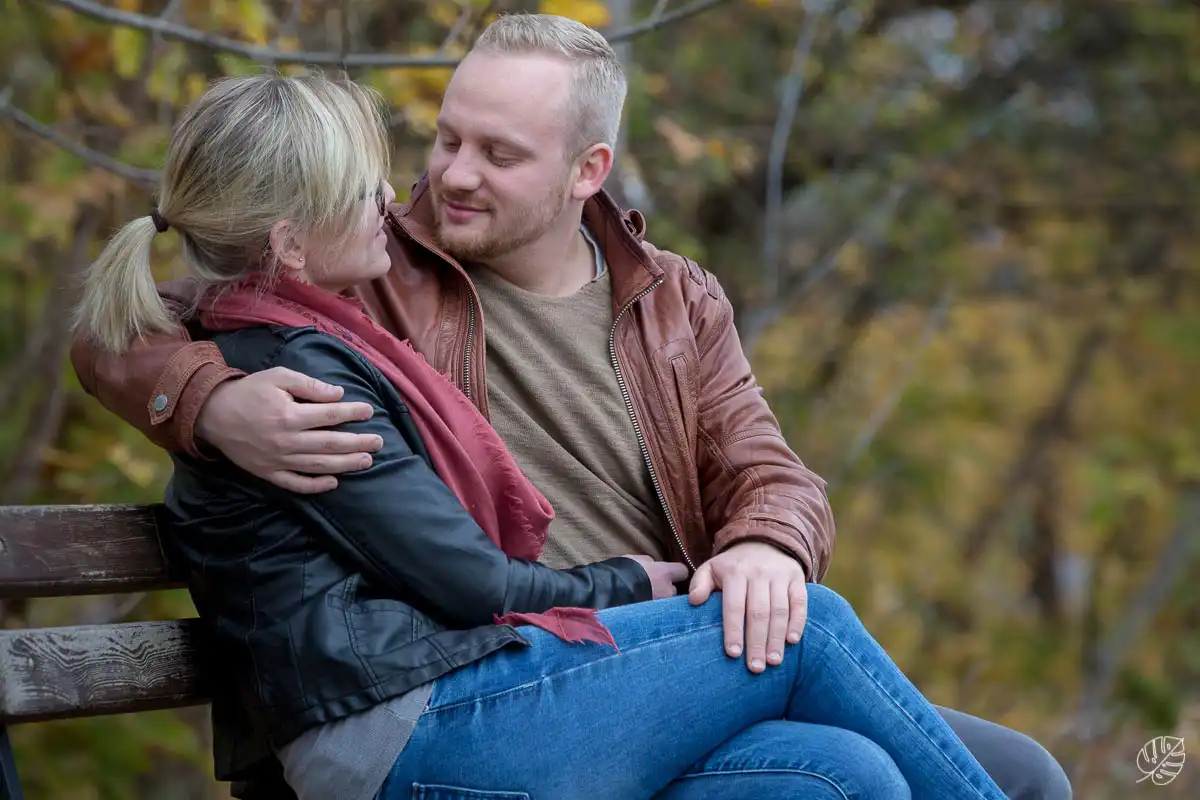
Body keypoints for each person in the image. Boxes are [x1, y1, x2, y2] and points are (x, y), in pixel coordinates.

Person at [68, 14, 1070, 800]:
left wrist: (768, 542)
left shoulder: (674, 299)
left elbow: (767, 468)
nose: (450, 175)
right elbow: (127, 318)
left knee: (974, 772)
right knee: (838, 678)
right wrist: (206, 400)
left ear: (587, 172)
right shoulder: (363, 266)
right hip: (510, 672)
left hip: (645, 664)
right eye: (447, 138)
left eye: (498, 155)